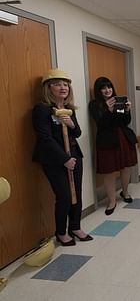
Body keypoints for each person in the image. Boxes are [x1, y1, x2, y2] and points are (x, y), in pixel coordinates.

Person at [32, 68, 93, 246]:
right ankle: (60, 232)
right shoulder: (42, 109)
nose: (62, 87)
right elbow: (45, 138)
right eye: (57, 84)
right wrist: (64, 160)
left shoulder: (68, 109)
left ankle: (75, 227)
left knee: (77, 195)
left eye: (65, 84)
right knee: (65, 196)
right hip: (54, 160)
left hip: (74, 156)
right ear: (48, 88)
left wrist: (72, 124)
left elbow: (78, 133)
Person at [89, 77, 138, 215]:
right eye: (103, 88)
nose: (107, 90)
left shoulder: (119, 101)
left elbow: (125, 121)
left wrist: (127, 110)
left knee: (126, 167)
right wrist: (109, 110)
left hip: (123, 137)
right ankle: (111, 201)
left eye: (109, 87)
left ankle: (125, 192)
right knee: (109, 171)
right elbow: (101, 123)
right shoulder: (95, 104)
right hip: (106, 140)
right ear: (99, 91)